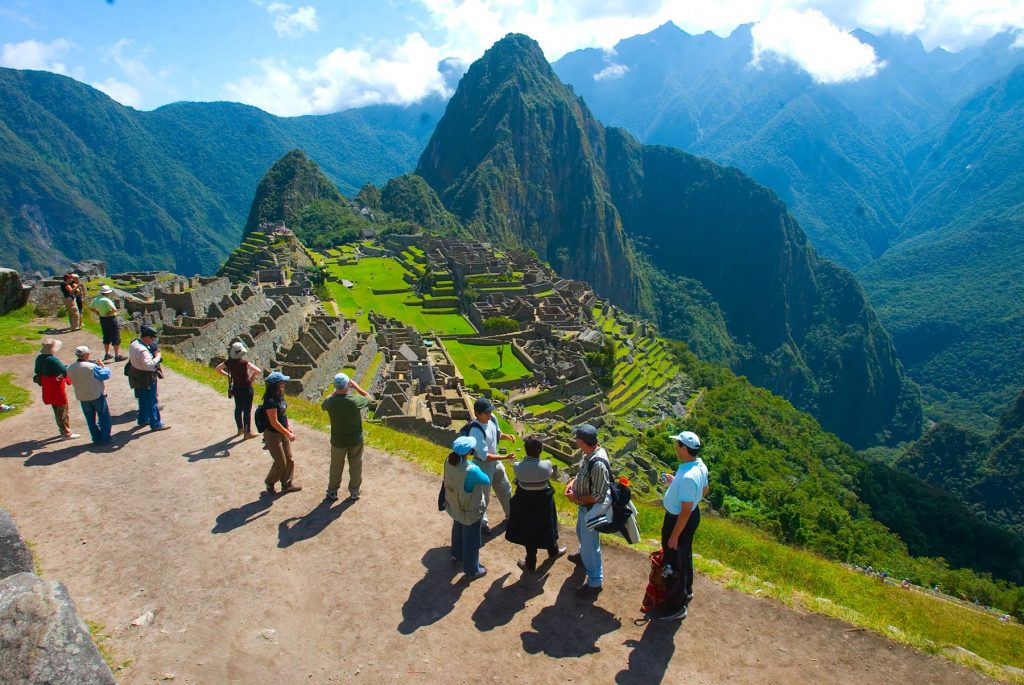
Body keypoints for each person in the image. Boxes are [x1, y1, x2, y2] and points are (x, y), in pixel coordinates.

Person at [658, 430, 709, 622]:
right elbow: (704, 489)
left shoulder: (688, 476)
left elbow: (685, 511)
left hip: (679, 520)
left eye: (677, 443)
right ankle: (686, 591)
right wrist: (675, 484)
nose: (675, 446)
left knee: (673, 562)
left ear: (683, 448)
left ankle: (675, 606)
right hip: (691, 516)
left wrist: (674, 535)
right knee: (684, 555)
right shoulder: (698, 465)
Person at [506, 433, 566, 572]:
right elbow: (548, 474)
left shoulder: (518, 467)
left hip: (525, 502)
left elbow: (519, 480)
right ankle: (553, 551)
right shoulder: (547, 465)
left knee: (529, 531)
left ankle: (530, 561)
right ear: (541, 449)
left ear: (526, 449)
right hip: (543, 503)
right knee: (549, 526)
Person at [566, 423, 609, 597]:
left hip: (591, 509)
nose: (575, 440)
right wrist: (572, 484)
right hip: (584, 507)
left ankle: (595, 582)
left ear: (582, 441)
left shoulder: (598, 464)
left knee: (591, 545)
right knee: (581, 532)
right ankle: (584, 556)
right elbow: (582, 474)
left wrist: (576, 497)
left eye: (577, 438)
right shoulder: (589, 455)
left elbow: (599, 495)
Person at [443, 435, 491, 580]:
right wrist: (475, 466)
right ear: (469, 452)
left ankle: (457, 555)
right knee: (472, 539)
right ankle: (472, 569)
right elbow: (486, 480)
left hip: (454, 505)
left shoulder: (448, 461)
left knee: (457, 529)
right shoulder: (472, 470)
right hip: (469, 509)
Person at [321, 372, 373, 501]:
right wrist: (357, 387)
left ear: (335, 386)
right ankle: (354, 492)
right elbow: (370, 400)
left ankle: (332, 491)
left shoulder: (330, 403)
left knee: (335, 467)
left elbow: (324, 402)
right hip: (355, 440)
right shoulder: (355, 401)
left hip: (338, 441)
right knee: (355, 467)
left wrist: (334, 392)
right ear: (347, 386)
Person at [468, 396, 516, 536]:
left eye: (490, 411)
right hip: (483, 465)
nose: (490, 414)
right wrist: (505, 457)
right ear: (477, 413)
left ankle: (511, 516)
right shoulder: (475, 430)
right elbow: (484, 456)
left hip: (495, 462)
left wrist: (507, 436)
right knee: (483, 496)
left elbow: (497, 433)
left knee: (505, 488)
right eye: (486, 412)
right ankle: (483, 524)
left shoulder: (492, 418)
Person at [262, 371, 301, 496]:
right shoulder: (270, 401)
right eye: (283, 381)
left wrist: (288, 427)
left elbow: (283, 414)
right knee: (280, 462)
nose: (285, 383)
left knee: (289, 459)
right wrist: (288, 433)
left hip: (282, 432)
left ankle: (287, 484)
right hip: (273, 435)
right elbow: (274, 422)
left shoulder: (280, 395)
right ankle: (270, 481)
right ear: (277, 384)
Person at [34, 338, 79, 440]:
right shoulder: (53, 360)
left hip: (47, 386)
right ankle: (66, 433)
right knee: (63, 410)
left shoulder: (40, 358)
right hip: (56, 387)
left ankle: (62, 430)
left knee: (56, 409)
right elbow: (64, 370)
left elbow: (37, 370)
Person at [66, 345, 112, 444]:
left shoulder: (70, 368)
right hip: (96, 394)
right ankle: (105, 439)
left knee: (90, 420)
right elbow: (105, 375)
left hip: (82, 396)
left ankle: (96, 437)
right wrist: (103, 366)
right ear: (87, 355)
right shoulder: (92, 367)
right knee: (104, 417)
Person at [127, 325, 169, 432]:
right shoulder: (142, 350)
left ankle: (143, 419)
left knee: (142, 398)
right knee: (152, 400)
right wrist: (158, 357)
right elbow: (149, 366)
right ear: (147, 337)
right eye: (152, 338)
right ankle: (155, 423)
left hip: (136, 374)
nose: (153, 340)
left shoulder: (134, 343)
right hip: (146, 377)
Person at [215, 341, 261, 438]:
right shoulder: (245, 363)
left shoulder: (229, 362)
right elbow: (258, 371)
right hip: (246, 388)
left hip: (236, 387)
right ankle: (247, 432)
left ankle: (240, 429)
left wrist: (228, 375)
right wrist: (252, 376)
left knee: (238, 408)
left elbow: (218, 368)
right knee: (247, 411)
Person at [89, 285, 126, 362]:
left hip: (102, 319)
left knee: (106, 336)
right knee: (115, 336)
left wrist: (97, 312)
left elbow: (90, 307)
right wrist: (109, 313)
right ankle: (117, 355)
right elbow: (114, 309)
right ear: (107, 293)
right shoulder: (106, 300)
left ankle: (107, 354)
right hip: (111, 319)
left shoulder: (96, 299)